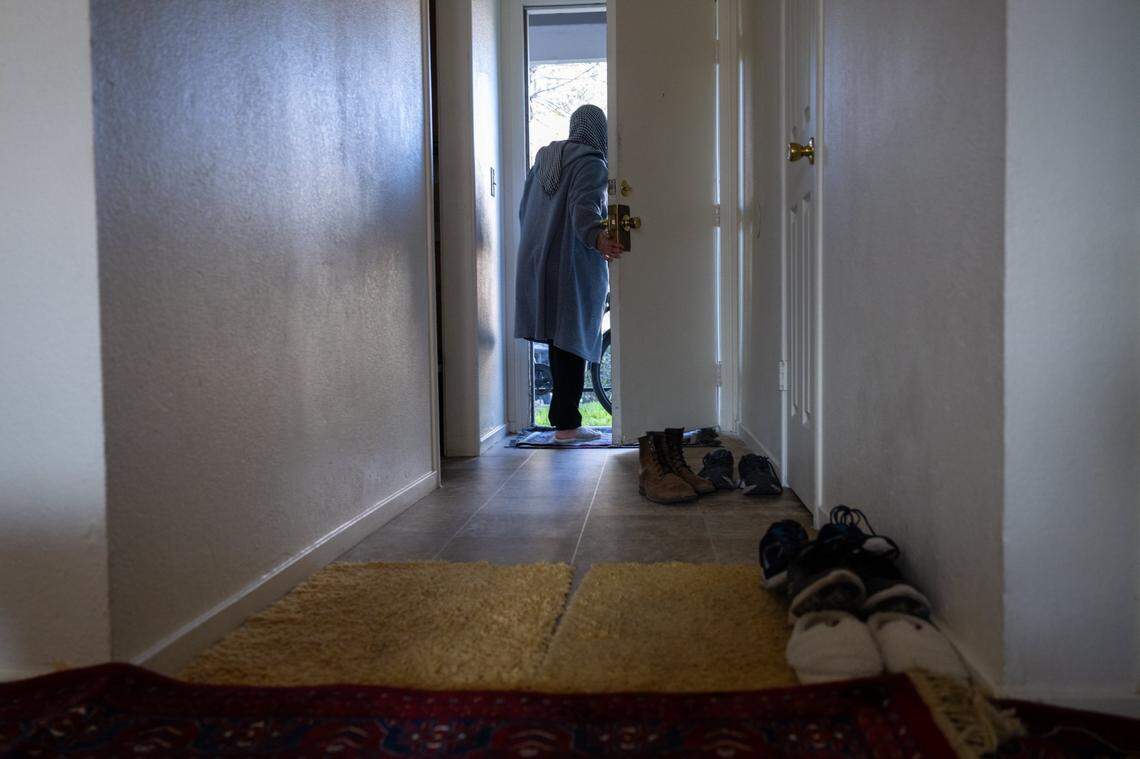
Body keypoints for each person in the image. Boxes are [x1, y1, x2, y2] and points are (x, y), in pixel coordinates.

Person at [514, 104, 623, 443]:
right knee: (573, 341)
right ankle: (568, 426)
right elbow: (583, 209)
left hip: (536, 261)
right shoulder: (591, 162)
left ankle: (563, 420)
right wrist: (600, 238)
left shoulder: (544, 161)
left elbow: (523, 211)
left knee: (557, 340)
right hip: (570, 265)